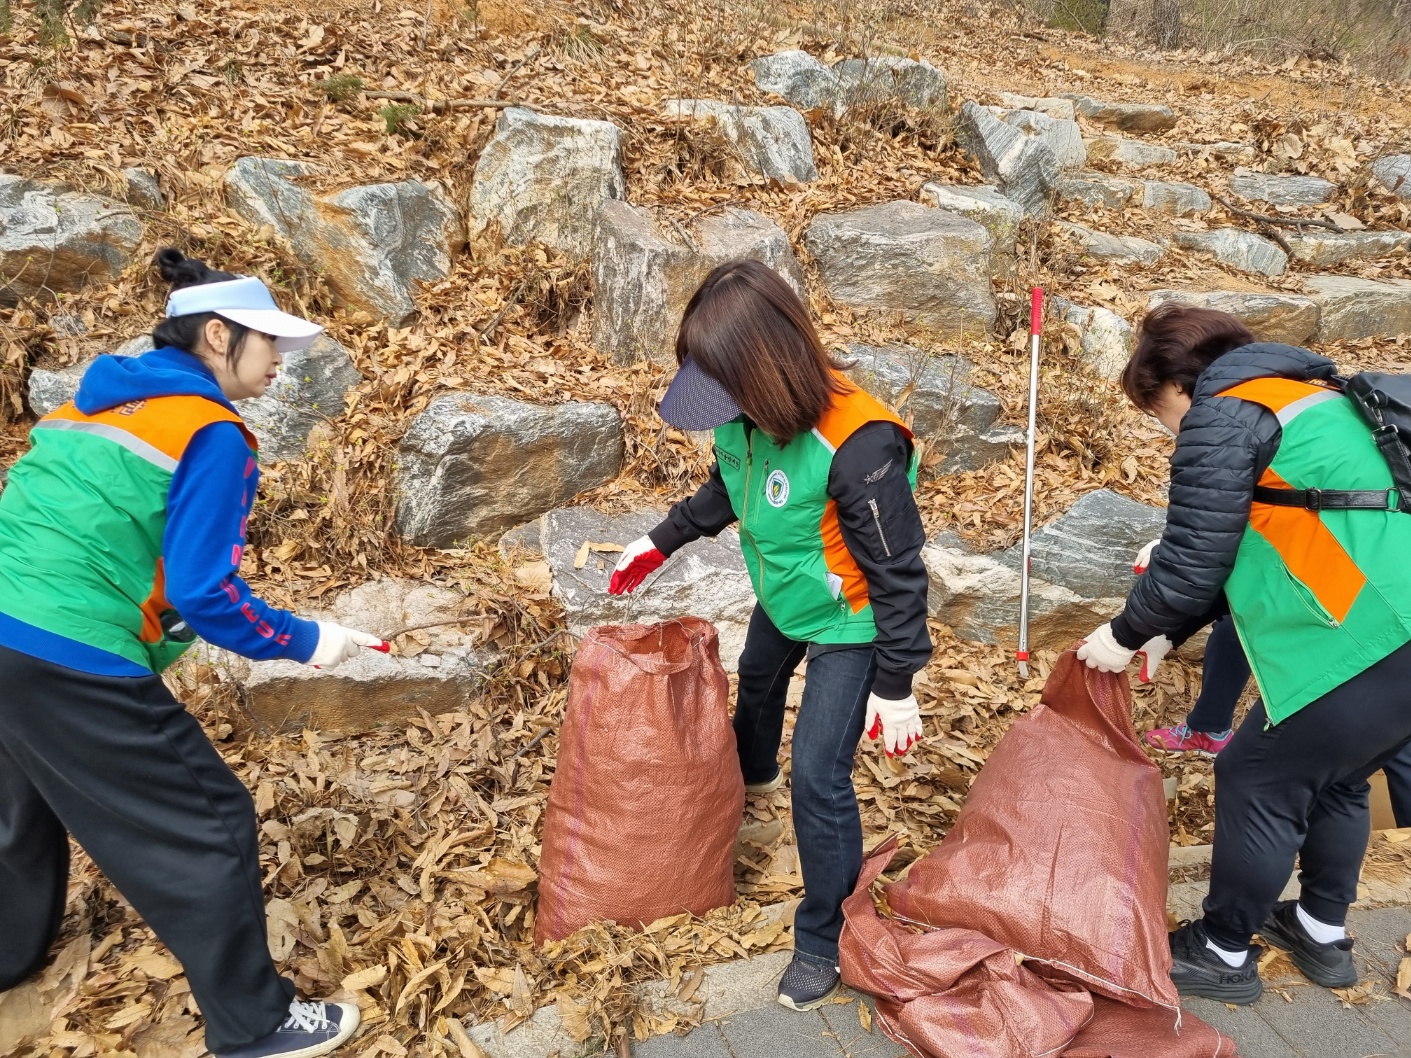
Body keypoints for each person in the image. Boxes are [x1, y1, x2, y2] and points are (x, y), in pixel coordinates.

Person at [0, 250, 385, 1058]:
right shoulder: (212, 431)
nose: (279, 361)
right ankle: (255, 1026)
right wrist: (312, 639)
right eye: (268, 343)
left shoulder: (94, 407)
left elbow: (118, 549)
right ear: (217, 334)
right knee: (209, 824)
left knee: (21, 807)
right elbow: (208, 593)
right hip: (70, 649)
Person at [607, 260, 932, 1011]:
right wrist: (661, 539)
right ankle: (748, 778)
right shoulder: (742, 414)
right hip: (784, 596)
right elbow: (730, 484)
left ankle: (826, 934)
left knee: (820, 774)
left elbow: (897, 572)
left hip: (852, 619)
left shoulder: (859, 444)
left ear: (765, 369)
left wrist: (897, 682)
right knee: (756, 679)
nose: (721, 409)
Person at [1075, 304, 1411, 1005]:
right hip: (1390, 622)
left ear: (1175, 385)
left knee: (1253, 773)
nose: (1162, 426)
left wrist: (1123, 634)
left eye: (1155, 409)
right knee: (1340, 779)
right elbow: (1265, 535)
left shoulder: (1222, 414)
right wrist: (1170, 628)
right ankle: (1320, 933)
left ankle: (1222, 950)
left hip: (1365, 635)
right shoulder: (1307, 398)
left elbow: (1194, 558)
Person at [1135, 541, 1411, 822]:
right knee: (1236, 625)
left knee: (1252, 776)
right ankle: (1209, 727)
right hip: (1361, 562)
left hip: (1369, 582)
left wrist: (1189, 547)